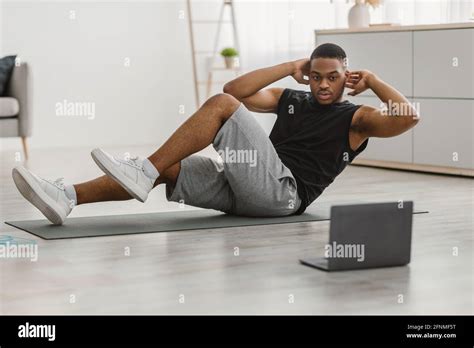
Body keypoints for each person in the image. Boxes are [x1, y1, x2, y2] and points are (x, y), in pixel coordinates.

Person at [12, 43, 419, 225]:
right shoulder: (292, 97)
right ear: (308, 75)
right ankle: (66, 197)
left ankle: (142, 169)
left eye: (333, 77)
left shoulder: (357, 117)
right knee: (169, 168)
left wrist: (376, 80)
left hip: (283, 194)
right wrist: (287, 66)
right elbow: (236, 90)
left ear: (345, 77)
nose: (324, 85)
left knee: (220, 110)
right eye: (316, 76)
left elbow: (408, 118)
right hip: (241, 190)